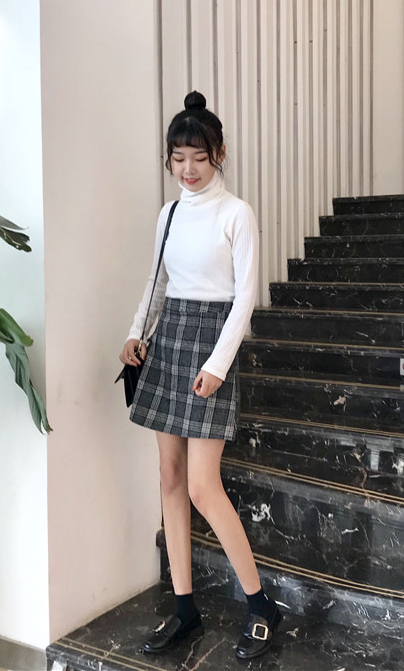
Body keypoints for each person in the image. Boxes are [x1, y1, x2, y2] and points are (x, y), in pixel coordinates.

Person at [119, 91, 282, 660]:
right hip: (169, 340)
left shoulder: (237, 213)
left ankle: (261, 605)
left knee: (201, 485)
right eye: (178, 158)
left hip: (213, 343)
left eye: (198, 157)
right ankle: (185, 608)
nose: (187, 169)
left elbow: (245, 298)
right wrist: (136, 333)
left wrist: (216, 366)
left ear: (219, 155)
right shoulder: (168, 215)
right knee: (168, 476)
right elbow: (157, 282)